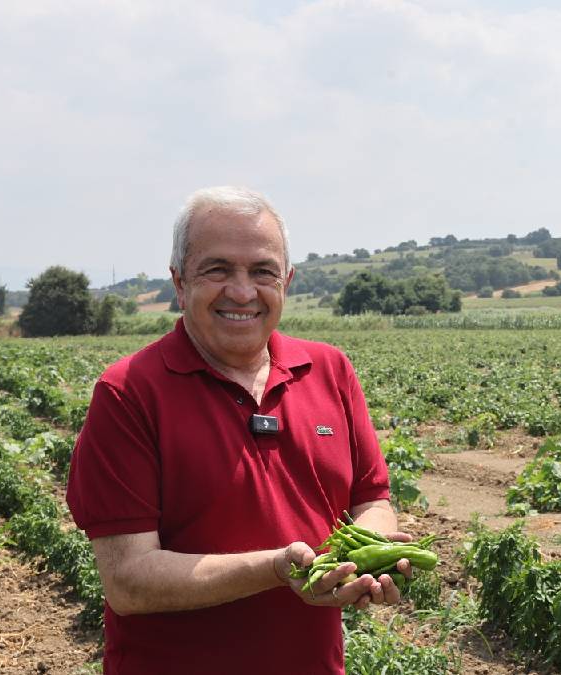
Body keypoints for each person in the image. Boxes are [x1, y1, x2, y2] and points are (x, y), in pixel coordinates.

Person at [66, 186, 409, 674]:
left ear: (287, 281)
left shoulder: (330, 370)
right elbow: (128, 581)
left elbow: (372, 502)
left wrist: (363, 565)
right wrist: (275, 568)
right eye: (218, 269)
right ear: (179, 283)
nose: (243, 292)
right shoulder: (128, 393)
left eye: (262, 271)